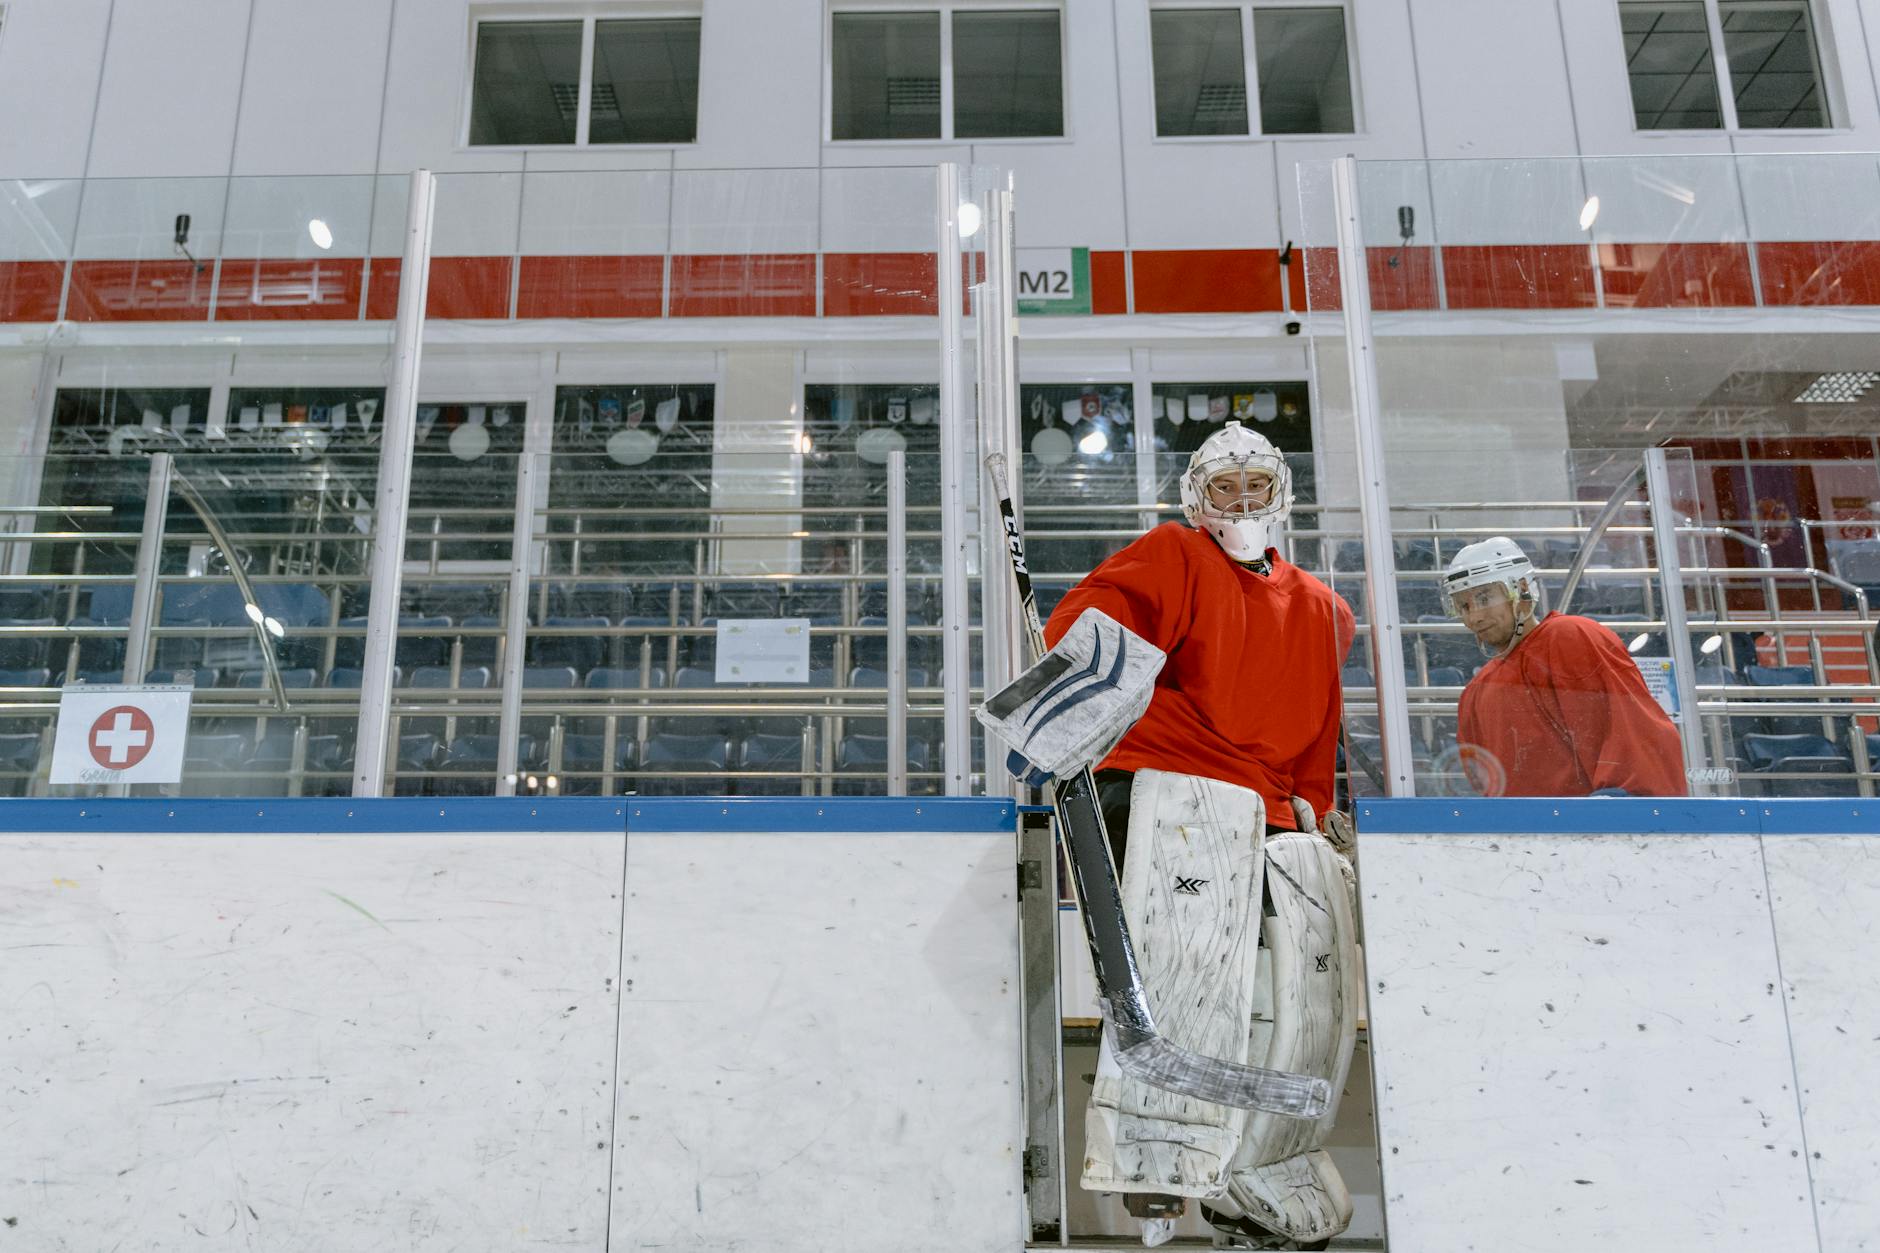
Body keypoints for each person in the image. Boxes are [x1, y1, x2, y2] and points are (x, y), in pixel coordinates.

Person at [985, 422, 1359, 1251]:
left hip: (1262, 816)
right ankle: (1156, 1158)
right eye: (1224, 488)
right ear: (1198, 497)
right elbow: (1091, 627)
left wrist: (1315, 812)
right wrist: (1065, 700)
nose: (1242, 501)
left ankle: (1252, 1165)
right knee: (1189, 984)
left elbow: (1317, 741)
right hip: (1165, 794)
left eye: (1255, 485)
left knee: (1292, 994)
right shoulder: (1173, 555)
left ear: (1279, 493)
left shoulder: (1328, 611)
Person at [1444, 536, 1687, 797]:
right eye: (1464, 605)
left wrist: (1622, 810)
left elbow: (1631, 732)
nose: (1475, 616)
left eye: (1484, 599)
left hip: (1589, 832)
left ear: (1523, 589)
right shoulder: (1475, 694)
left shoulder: (1568, 637)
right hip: (1526, 835)